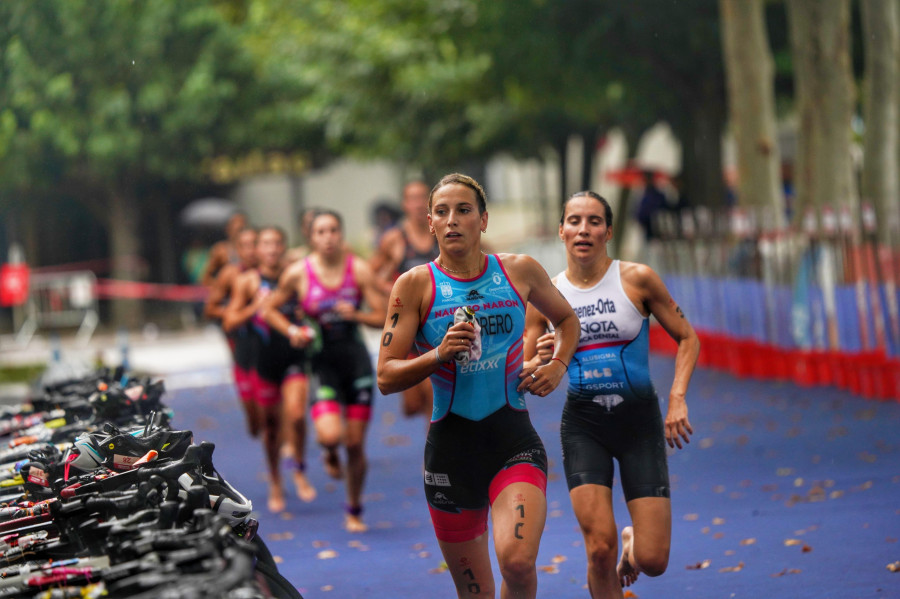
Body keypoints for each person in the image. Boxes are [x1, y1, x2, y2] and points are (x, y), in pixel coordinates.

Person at [376, 173, 580, 599]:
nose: (453, 220)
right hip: (450, 455)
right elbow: (385, 375)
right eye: (442, 212)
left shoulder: (518, 271)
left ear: (483, 220)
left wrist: (558, 364)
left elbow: (567, 320)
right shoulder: (414, 286)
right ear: (429, 223)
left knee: (519, 563)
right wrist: (437, 354)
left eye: (464, 210)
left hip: (513, 443)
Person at [523, 191, 699, 598]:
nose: (583, 229)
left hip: (639, 423)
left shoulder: (637, 278)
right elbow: (527, 369)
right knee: (599, 548)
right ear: (561, 231)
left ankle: (634, 542)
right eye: (575, 221)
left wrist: (677, 397)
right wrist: (542, 359)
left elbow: (687, 337)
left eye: (594, 222)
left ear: (608, 231)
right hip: (584, 427)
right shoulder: (546, 295)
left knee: (654, 562)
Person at [262, 210, 386, 533]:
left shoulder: (357, 270)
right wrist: (291, 330)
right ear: (311, 238)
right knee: (331, 435)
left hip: (355, 363)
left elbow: (383, 316)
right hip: (321, 365)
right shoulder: (298, 274)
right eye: (321, 231)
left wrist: (357, 315)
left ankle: (354, 510)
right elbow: (269, 308)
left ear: (341, 235)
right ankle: (329, 452)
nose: (328, 237)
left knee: (356, 444)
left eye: (333, 230)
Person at [223, 226, 317, 513]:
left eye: (277, 243)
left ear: (284, 247)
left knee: (298, 414)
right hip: (263, 363)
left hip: (293, 357)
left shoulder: (295, 275)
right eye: (266, 244)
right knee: (271, 429)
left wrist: (305, 314)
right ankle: (276, 480)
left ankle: (298, 465)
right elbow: (229, 322)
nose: (272, 249)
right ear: (258, 250)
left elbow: (313, 304)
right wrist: (254, 308)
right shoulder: (248, 281)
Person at [369, 180, 441, 419]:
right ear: (405, 204)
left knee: (434, 397)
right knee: (412, 405)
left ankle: (435, 455)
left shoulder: (442, 234)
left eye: (424, 198)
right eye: (413, 199)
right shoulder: (394, 239)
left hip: (436, 324)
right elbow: (370, 274)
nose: (419, 204)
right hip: (407, 328)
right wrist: (394, 290)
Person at [203, 226, 260, 436]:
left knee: (276, 411)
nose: (251, 251)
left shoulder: (275, 270)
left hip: (270, 345)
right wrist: (232, 311)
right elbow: (210, 308)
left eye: (254, 244)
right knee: (255, 417)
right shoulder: (229, 272)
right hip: (240, 338)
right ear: (237, 248)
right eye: (245, 246)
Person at [202, 211, 249, 286]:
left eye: (242, 229)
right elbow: (206, 277)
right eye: (236, 229)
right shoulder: (220, 250)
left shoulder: (251, 249)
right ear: (228, 229)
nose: (239, 233)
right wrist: (220, 286)